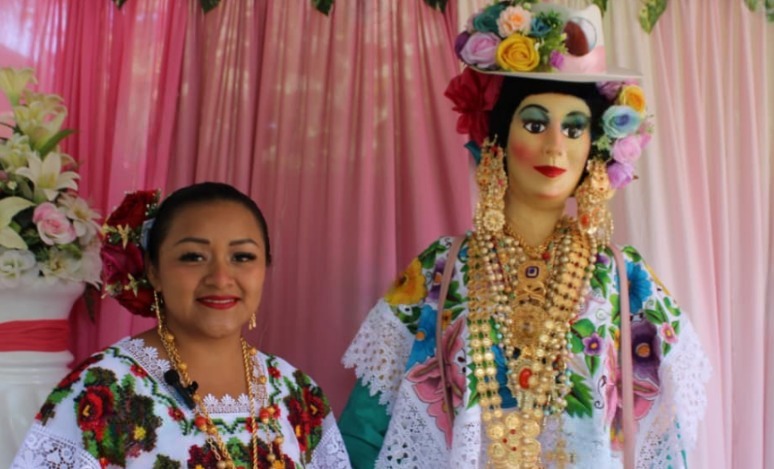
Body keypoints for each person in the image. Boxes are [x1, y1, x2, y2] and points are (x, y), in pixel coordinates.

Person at [338, 3, 709, 468]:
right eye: (535, 124)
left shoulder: (623, 279)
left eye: (575, 129)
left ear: (595, 151)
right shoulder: (442, 269)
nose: (556, 145)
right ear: (495, 141)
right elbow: (366, 429)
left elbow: (662, 443)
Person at [12, 182, 350, 468]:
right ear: (154, 271)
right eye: (193, 256)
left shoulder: (298, 394)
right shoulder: (102, 388)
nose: (220, 277)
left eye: (242, 257)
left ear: (265, 268)